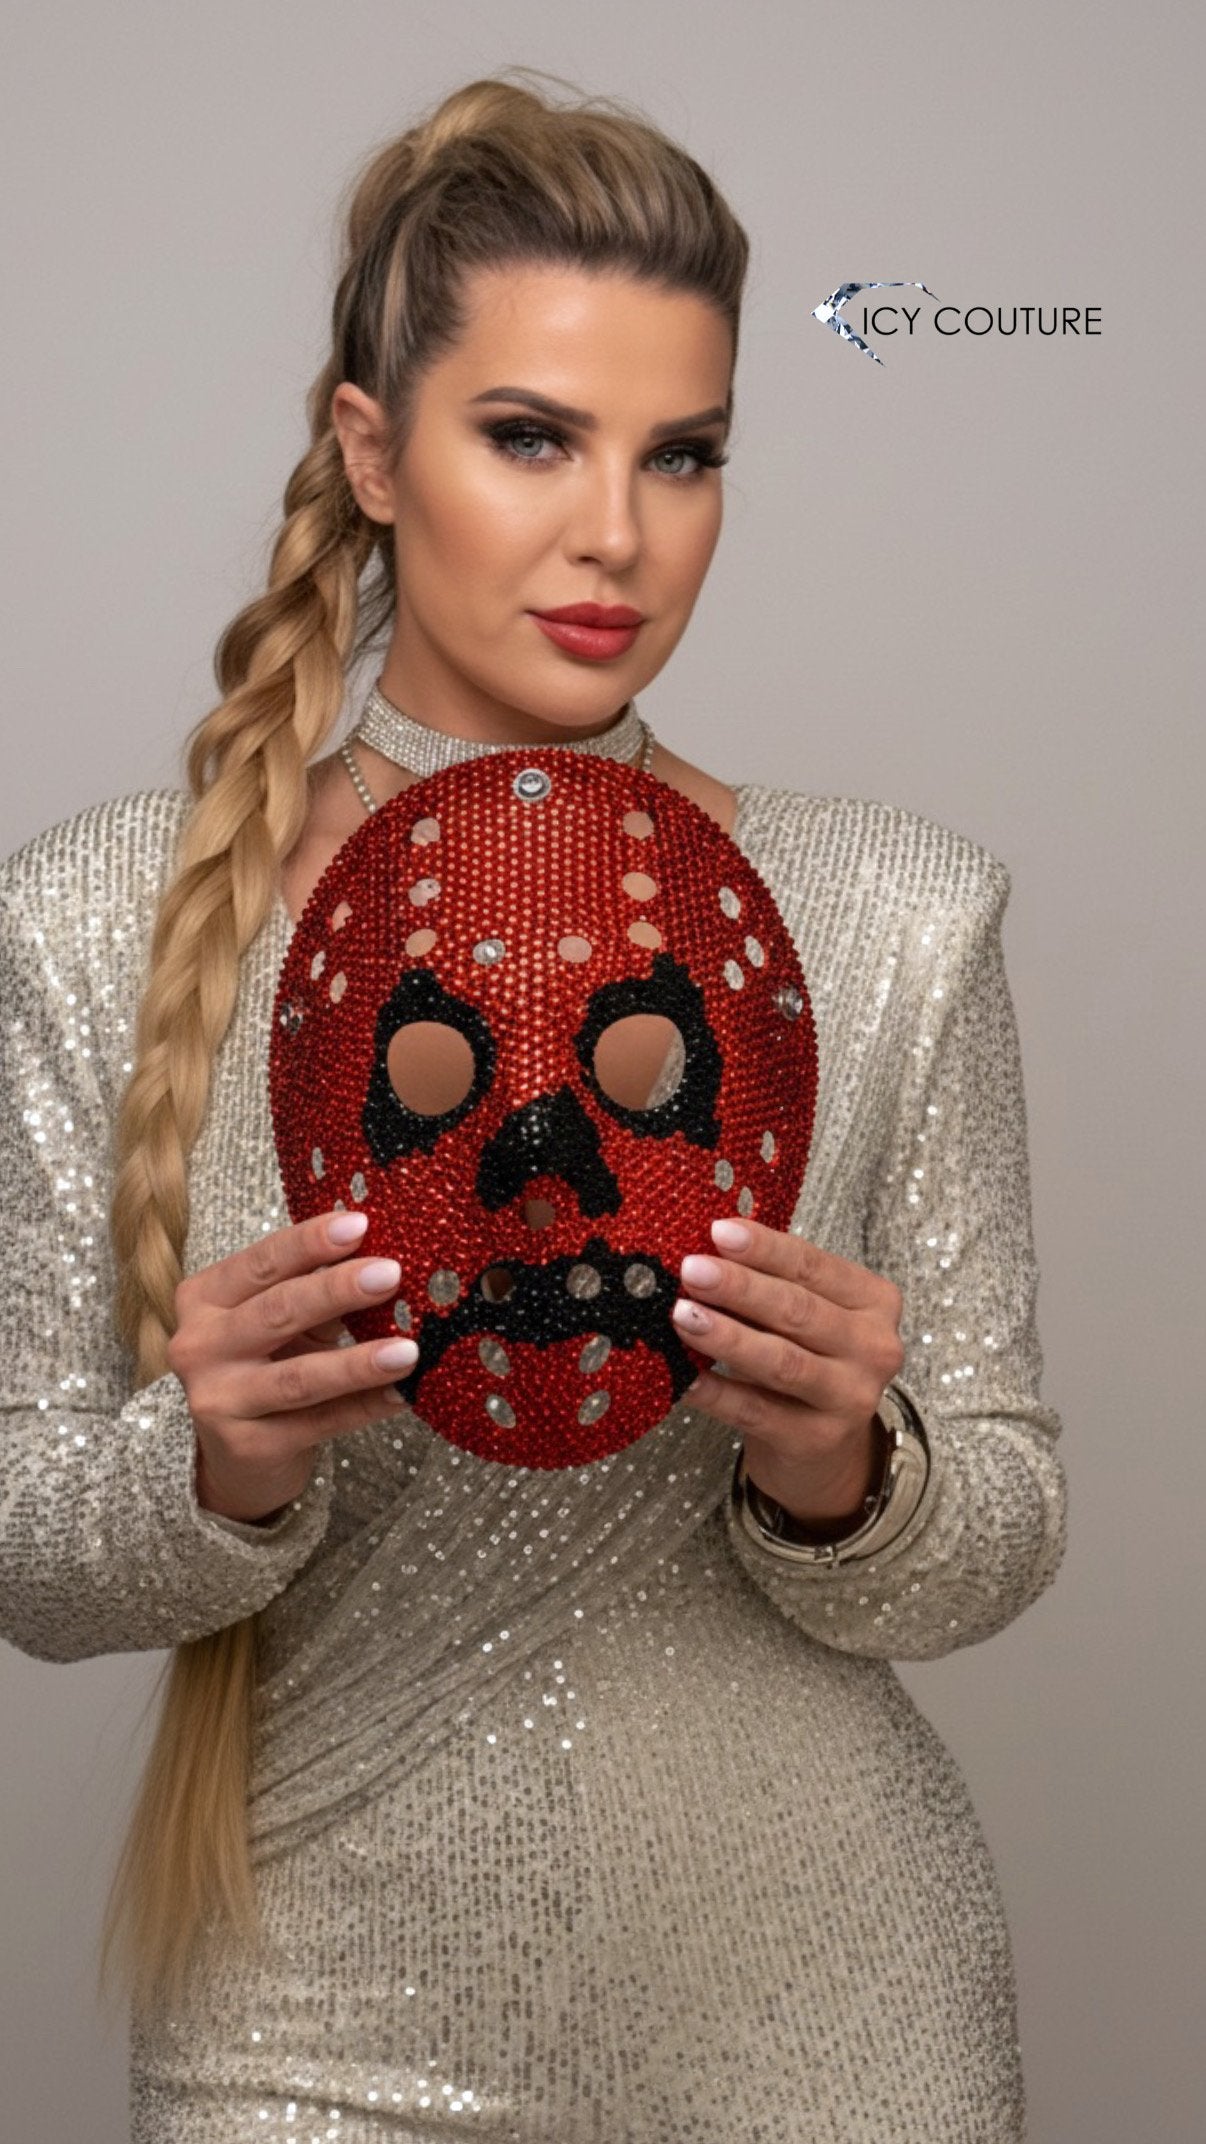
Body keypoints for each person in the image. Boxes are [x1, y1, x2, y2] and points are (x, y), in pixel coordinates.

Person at [0, 69, 1068, 2143]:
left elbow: (1000, 1534)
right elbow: (31, 1559)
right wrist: (204, 1460)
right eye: (531, 438)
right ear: (370, 451)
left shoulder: (893, 914)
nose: (618, 534)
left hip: (832, 2007)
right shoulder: (92, 920)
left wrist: (855, 1465)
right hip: (309, 2015)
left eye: (686, 455)